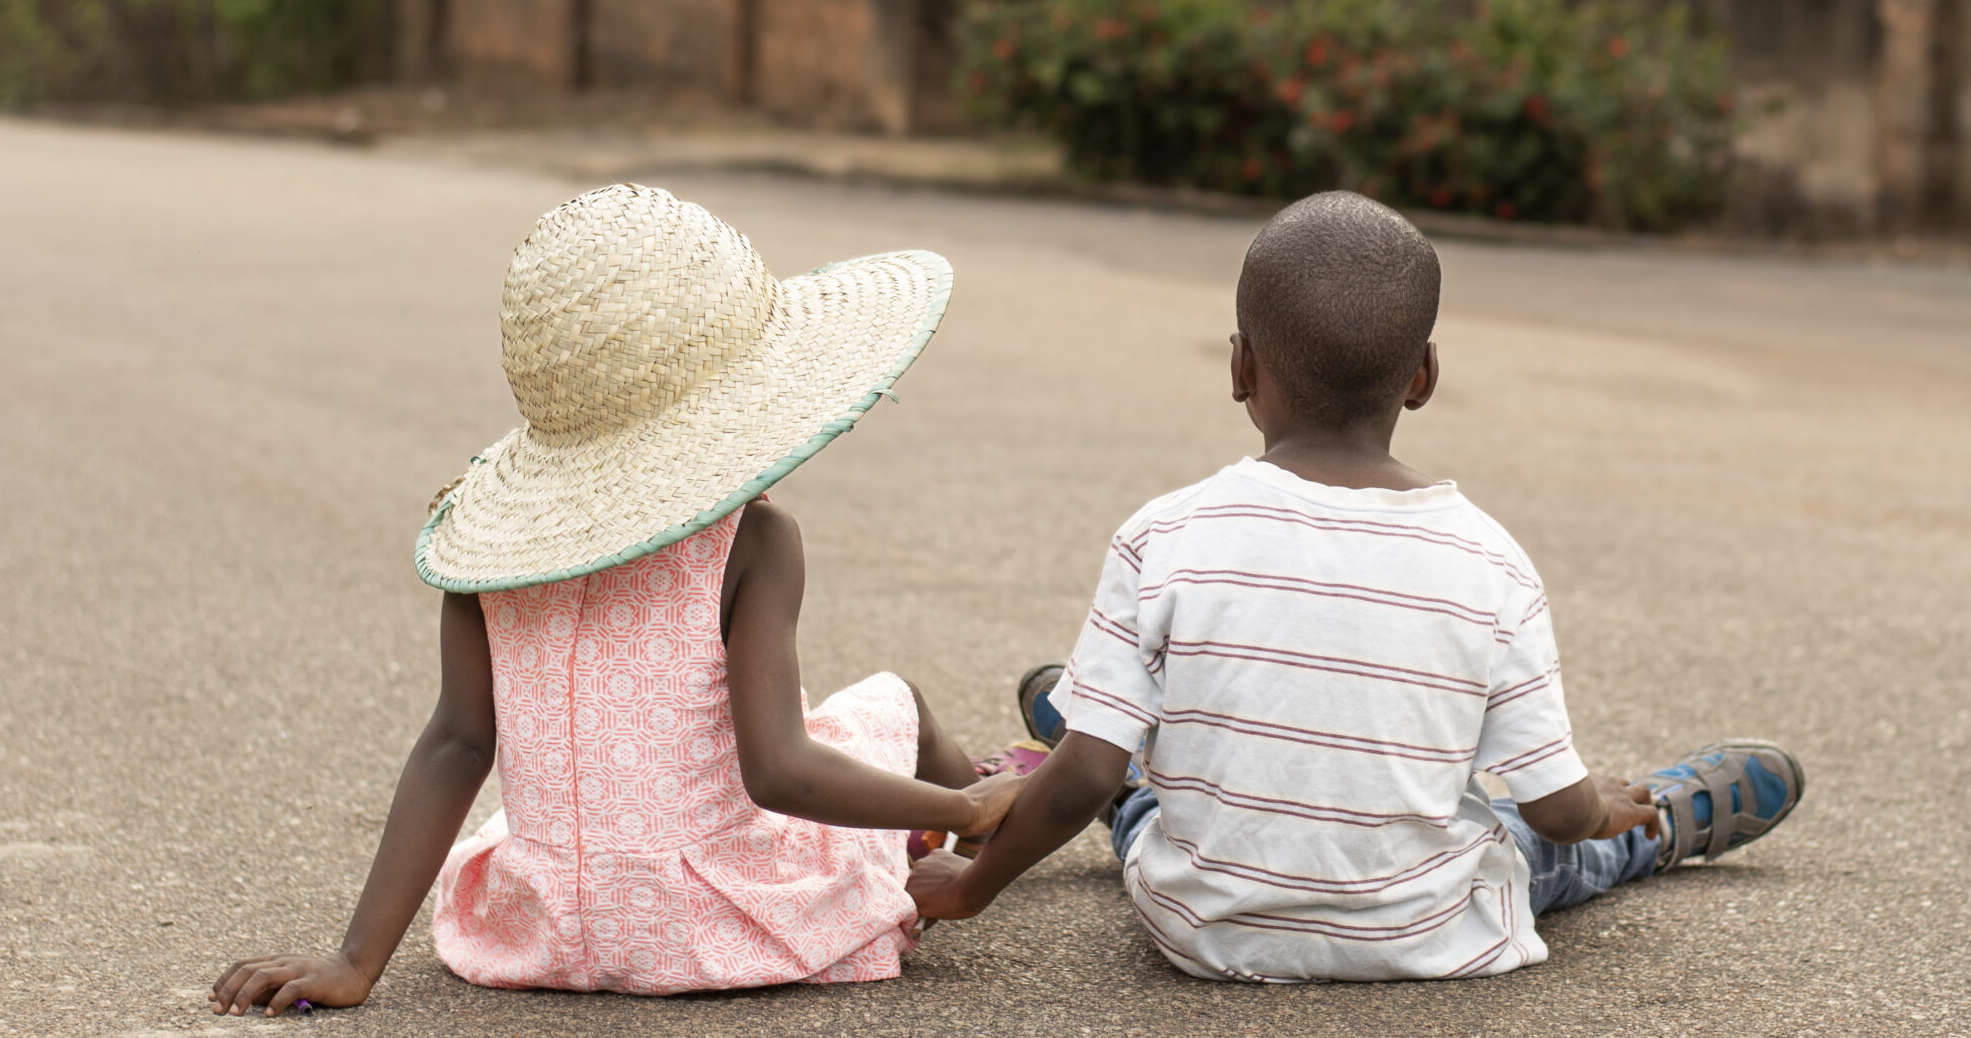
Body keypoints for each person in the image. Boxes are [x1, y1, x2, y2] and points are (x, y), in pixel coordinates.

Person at [907, 191, 1805, 982]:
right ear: (1423, 377)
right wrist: (1599, 808)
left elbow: (1072, 784)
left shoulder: (1165, 535)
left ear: (1239, 367)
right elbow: (1553, 807)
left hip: (1207, 932)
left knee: (1127, 793)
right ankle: (1659, 828)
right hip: (1429, 928)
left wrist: (972, 889)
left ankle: (1108, 728)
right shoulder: (1492, 562)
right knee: (1541, 851)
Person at [212, 184, 1022, 1015]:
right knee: (893, 702)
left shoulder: (489, 549)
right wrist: (959, 803)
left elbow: (456, 744)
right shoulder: (757, 543)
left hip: (543, 926)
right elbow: (780, 770)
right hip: (714, 924)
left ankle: (953, 805)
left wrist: (355, 958)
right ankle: (989, 802)